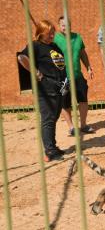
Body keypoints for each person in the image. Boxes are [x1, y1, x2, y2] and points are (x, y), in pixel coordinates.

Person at [17, 20, 66, 162]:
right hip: (45, 89)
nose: (52, 35)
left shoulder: (54, 46)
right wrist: (36, 73)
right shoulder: (36, 45)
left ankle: (52, 146)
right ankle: (49, 151)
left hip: (59, 88)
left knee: (54, 118)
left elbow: (61, 65)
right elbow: (21, 57)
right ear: (41, 33)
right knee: (48, 120)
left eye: (53, 32)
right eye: (49, 33)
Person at [54, 16, 94, 136]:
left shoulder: (77, 38)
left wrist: (88, 67)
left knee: (83, 100)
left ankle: (83, 125)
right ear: (59, 26)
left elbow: (82, 53)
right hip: (63, 78)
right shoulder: (55, 39)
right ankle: (71, 127)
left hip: (77, 75)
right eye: (63, 25)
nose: (66, 27)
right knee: (65, 103)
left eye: (68, 24)